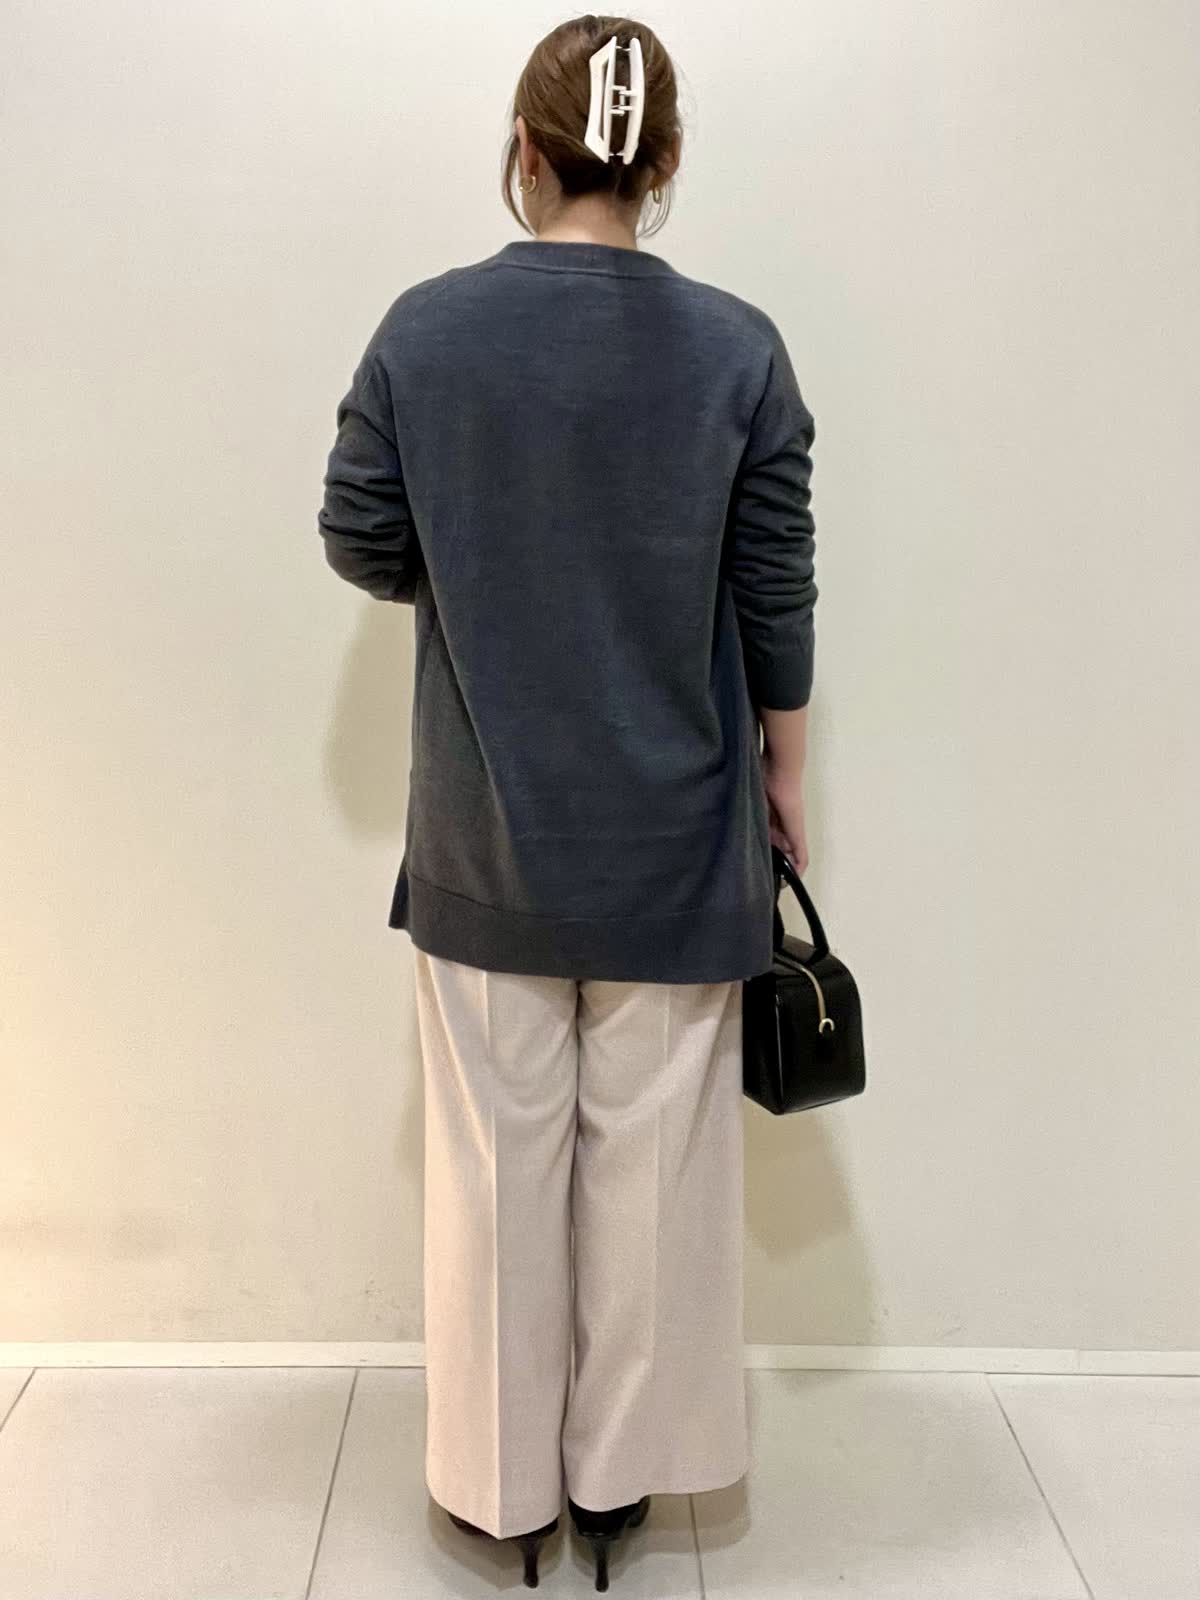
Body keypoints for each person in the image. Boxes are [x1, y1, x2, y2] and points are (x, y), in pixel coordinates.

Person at [316, 14, 817, 1590]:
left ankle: (500, 1493)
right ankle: (616, 1491)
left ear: (527, 153)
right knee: (650, 1188)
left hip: (486, 836)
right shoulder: (738, 350)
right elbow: (775, 590)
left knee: (493, 1178)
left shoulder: (426, 332)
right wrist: (787, 773)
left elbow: (359, 533)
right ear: (660, 164)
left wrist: (485, 566)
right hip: (679, 840)